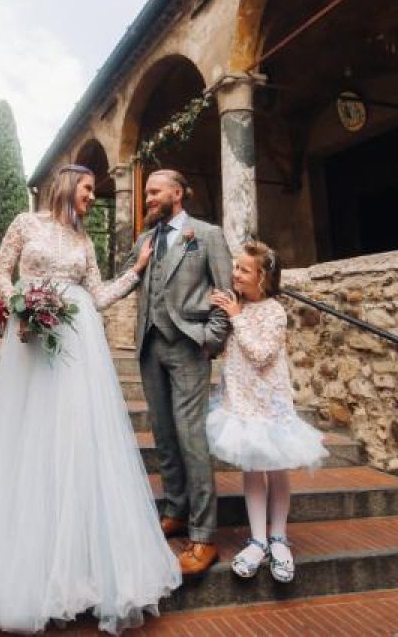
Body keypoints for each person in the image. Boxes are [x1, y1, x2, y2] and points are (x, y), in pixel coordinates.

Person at [0, 165, 180, 634]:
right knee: (32, 432)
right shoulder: (26, 224)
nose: (91, 199)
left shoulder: (84, 242)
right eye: (87, 191)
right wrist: (23, 301)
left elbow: (96, 295)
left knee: (79, 436)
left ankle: (79, 552)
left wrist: (135, 274)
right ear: (66, 186)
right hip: (35, 339)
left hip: (80, 347)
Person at [120, 169, 233, 577]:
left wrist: (211, 339)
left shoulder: (207, 234)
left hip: (188, 345)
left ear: (178, 193)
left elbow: (226, 291)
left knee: (191, 436)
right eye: (147, 192)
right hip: (150, 346)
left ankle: (204, 536)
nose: (147, 198)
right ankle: (176, 509)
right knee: (164, 434)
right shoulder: (145, 240)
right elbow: (123, 279)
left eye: (154, 191)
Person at [206, 240, 328, 583]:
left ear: (262, 278)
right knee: (251, 469)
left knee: (274, 469)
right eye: (236, 267)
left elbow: (261, 354)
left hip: (269, 403)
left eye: (243, 269)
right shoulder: (237, 304)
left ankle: (278, 537)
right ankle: (257, 539)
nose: (235, 274)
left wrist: (236, 318)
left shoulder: (274, 311)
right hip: (240, 402)